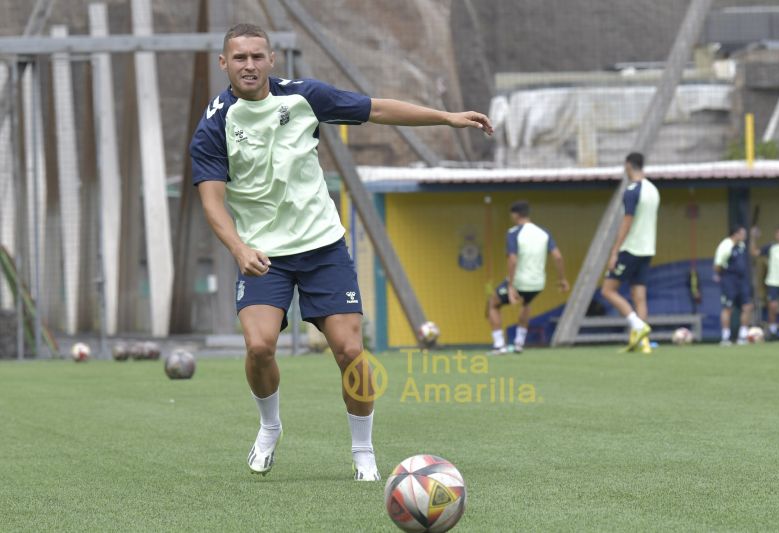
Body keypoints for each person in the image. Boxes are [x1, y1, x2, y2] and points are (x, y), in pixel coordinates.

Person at [190, 24, 493, 481]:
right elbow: (211, 199)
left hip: (322, 247)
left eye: (257, 56)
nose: (248, 65)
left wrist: (446, 117)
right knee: (259, 346)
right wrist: (237, 247)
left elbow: (376, 109)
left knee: (351, 351)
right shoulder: (215, 123)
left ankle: (363, 452)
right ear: (224, 63)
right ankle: (269, 427)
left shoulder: (304, 97)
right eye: (239, 58)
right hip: (262, 254)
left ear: (272, 60)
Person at [486, 201, 569, 355]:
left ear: (515, 215)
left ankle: (499, 345)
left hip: (519, 282)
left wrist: (511, 286)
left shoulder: (514, 232)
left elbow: (512, 259)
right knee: (526, 304)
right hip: (538, 283)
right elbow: (557, 257)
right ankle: (519, 343)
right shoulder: (544, 232)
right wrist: (562, 279)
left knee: (493, 304)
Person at [601, 152, 660, 353]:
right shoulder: (653, 189)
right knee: (639, 295)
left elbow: (628, 221)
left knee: (608, 290)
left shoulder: (632, 190)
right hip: (648, 249)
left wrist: (615, 250)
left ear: (628, 165)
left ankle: (638, 325)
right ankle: (643, 343)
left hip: (631, 248)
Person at [713, 226, 753, 345]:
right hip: (729, 280)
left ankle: (743, 336)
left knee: (747, 306)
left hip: (743, 281)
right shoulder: (726, 246)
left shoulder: (741, 246)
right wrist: (722, 275)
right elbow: (717, 265)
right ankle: (725, 337)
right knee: (727, 308)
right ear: (735, 234)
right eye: (742, 234)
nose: (744, 237)